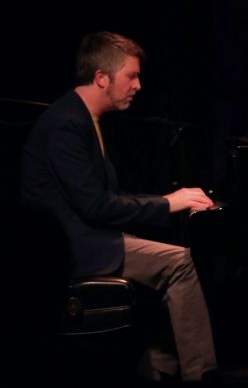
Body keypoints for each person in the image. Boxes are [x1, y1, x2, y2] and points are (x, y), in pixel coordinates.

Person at [19, 31, 218, 381]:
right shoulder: (66, 124)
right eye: (132, 75)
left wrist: (168, 201)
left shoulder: (83, 118)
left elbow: (108, 196)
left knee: (173, 254)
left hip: (89, 235)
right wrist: (168, 204)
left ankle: (158, 363)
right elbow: (97, 207)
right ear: (101, 78)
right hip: (73, 248)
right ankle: (199, 375)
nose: (138, 85)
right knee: (179, 263)